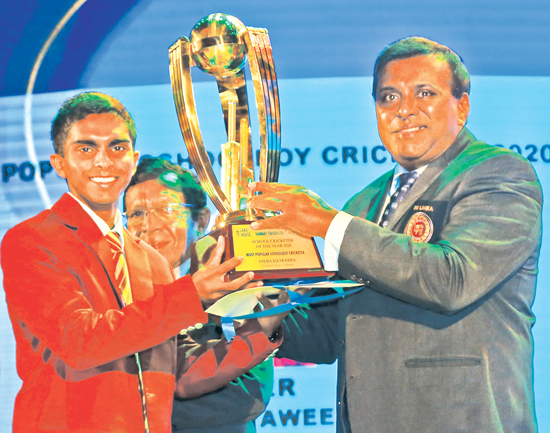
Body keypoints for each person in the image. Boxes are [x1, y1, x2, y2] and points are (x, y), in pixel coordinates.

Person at [248, 37, 542, 432]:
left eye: (425, 93)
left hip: (460, 419)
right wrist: (262, 294)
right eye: (388, 97)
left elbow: (451, 280)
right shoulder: (363, 203)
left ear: (463, 105)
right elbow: (328, 331)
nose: (405, 109)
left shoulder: (498, 174)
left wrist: (324, 222)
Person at [0, 92, 282, 433]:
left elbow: (177, 374)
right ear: (59, 162)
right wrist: (192, 294)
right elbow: (80, 343)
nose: (103, 162)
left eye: (117, 148)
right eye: (86, 149)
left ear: (132, 160)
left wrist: (263, 325)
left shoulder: (152, 261)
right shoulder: (31, 241)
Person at [124, 157, 274, 433]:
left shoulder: (233, 288)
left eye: (166, 209)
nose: (150, 224)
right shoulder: (115, 299)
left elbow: (245, 397)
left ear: (201, 219)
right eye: (136, 213)